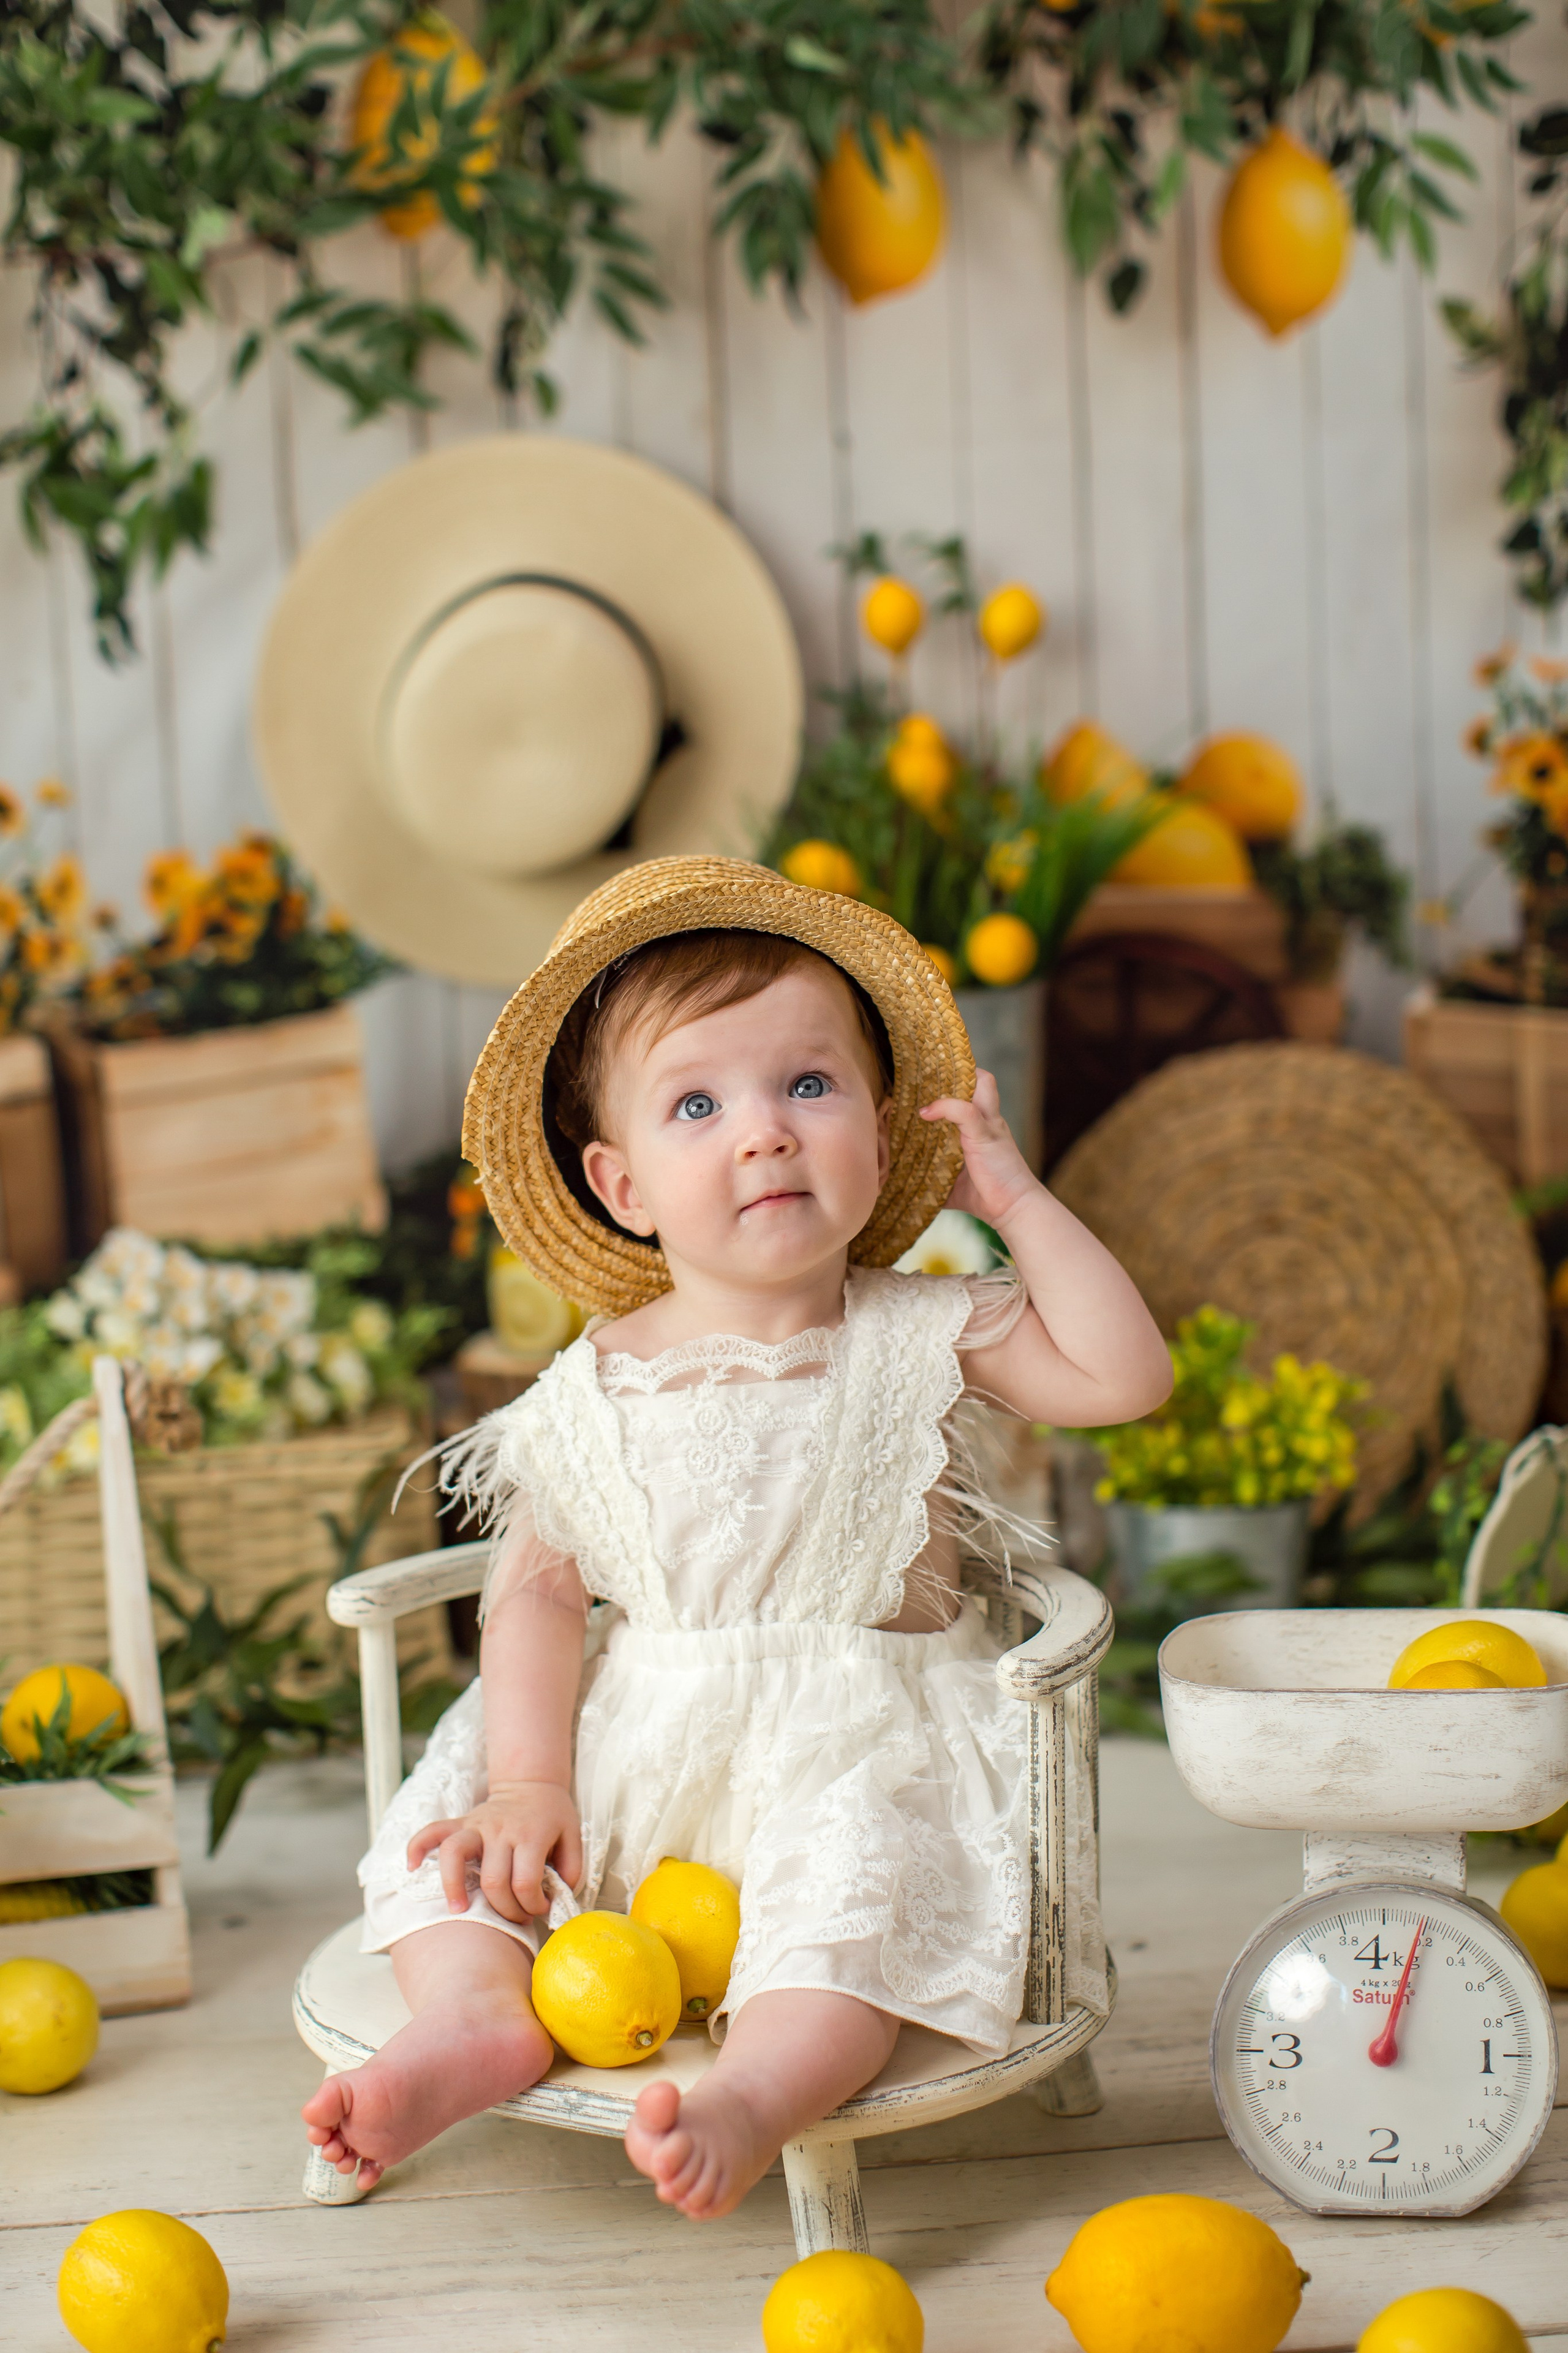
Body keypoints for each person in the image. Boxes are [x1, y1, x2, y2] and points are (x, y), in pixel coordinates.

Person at [303, 856, 1170, 2221]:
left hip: (853, 1741)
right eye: (698, 1104)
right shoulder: (594, 1383)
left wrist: (1012, 1199)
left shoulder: (921, 1324)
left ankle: (754, 2094)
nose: (763, 1132)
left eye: (806, 1087)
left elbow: (1126, 1377)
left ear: (883, 1132)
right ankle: (472, 2020)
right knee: (457, 1857)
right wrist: (530, 1779)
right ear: (621, 1180)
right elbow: (533, 1590)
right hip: (630, 1739)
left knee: (847, 1911)